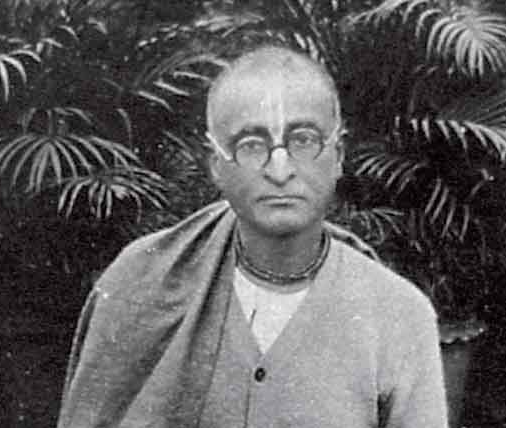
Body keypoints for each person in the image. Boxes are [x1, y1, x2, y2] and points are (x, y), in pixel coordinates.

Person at [57, 45, 447, 428]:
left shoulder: (399, 314)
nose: (280, 170)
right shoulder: (137, 282)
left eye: (304, 140)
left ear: (338, 155)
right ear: (216, 164)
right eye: (251, 145)